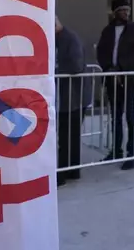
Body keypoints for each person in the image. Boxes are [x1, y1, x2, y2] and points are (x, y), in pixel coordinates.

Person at [96, 0, 134, 170]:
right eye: (122, 10)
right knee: (115, 117)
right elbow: (101, 52)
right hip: (111, 80)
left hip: (129, 79)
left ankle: (132, 154)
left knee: (131, 117)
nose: (126, 13)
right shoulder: (107, 31)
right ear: (115, 12)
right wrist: (109, 68)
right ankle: (116, 150)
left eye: (128, 10)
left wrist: (121, 68)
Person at [55, 17, 91, 187]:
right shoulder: (62, 38)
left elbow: (76, 66)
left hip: (74, 96)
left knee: (67, 136)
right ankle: (72, 169)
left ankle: (63, 172)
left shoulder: (70, 39)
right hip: (69, 95)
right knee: (70, 136)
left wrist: (55, 71)